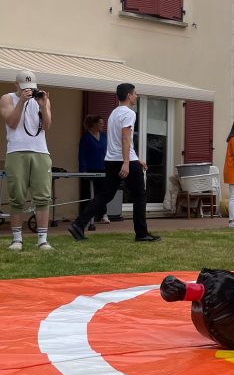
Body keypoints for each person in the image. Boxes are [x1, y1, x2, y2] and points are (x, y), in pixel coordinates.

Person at [67, 83, 160, 243]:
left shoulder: (113, 114)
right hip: (125, 161)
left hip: (111, 161)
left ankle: (78, 224)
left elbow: (119, 141)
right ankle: (141, 233)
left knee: (105, 195)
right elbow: (125, 138)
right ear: (129, 95)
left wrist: (136, 159)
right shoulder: (129, 113)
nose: (136, 96)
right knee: (139, 195)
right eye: (135, 93)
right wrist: (127, 162)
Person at [0, 69, 53, 251]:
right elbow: (12, 122)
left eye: (31, 88)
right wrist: (21, 102)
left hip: (40, 151)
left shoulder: (41, 98)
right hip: (16, 151)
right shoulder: (8, 98)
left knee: (43, 197)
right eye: (24, 88)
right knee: (17, 196)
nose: (28, 91)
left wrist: (43, 105)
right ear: (17, 85)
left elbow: (47, 125)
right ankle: (17, 239)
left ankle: (42, 240)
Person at [78, 115, 110, 230]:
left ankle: (103, 214)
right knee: (89, 193)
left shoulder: (104, 136)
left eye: (103, 123)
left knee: (103, 192)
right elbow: (82, 155)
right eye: (100, 123)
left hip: (103, 168)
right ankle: (86, 217)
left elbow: (108, 151)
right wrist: (83, 171)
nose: (102, 125)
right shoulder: (86, 137)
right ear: (94, 124)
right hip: (90, 169)